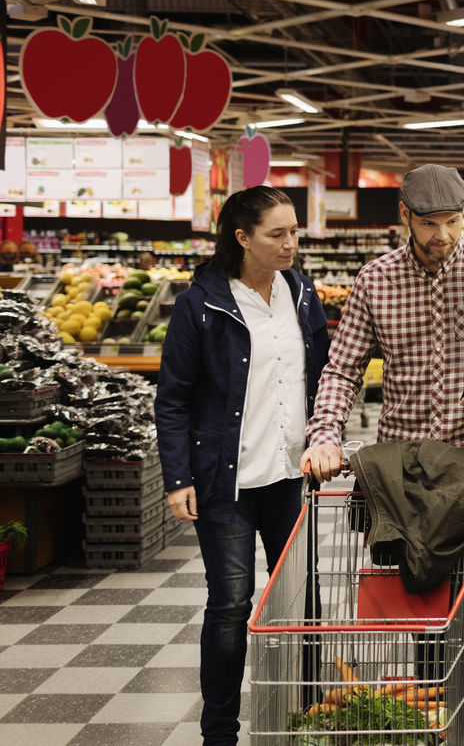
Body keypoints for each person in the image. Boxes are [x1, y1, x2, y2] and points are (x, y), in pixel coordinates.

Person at [155, 186, 330, 746]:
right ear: (242, 238)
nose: (290, 244)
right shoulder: (201, 303)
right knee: (230, 605)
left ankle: (311, 714)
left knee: (304, 600)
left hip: (290, 476)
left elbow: (325, 375)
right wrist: (177, 477)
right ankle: (220, 732)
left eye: (294, 231)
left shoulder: (301, 293)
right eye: (276, 234)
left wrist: (327, 437)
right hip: (226, 483)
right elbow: (174, 397)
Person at [302, 164, 464, 486]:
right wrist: (324, 435)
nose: (442, 236)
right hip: (402, 461)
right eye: (429, 224)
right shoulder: (375, 279)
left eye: (452, 222)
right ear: (405, 214)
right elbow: (343, 370)